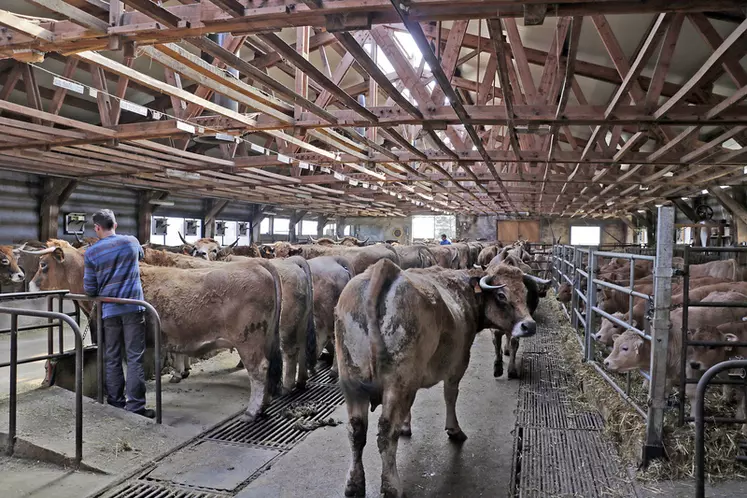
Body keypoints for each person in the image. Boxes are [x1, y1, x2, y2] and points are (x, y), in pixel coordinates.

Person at [83, 209, 154, 418]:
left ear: (97, 228)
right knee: (134, 358)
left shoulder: (91, 252)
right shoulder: (131, 242)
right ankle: (136, 408)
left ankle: (115, 404)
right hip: (133, 308)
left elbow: (90, 290)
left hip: (110, 311)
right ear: (115, 224)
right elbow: (142, 256)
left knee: (112, 358)